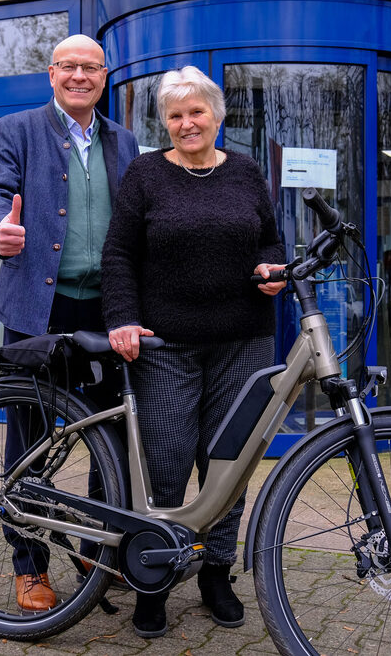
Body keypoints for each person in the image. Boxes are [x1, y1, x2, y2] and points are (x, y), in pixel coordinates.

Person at [101, 65, 286, 638]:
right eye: (175, 116)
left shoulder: (247, 171)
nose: (186, 123)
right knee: (164, 464)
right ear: (166, 123)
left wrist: (273, 269)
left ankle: (215, 574)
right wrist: (124, 319)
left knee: (227, 469)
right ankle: (152, 578)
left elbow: (270, 240)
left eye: (196, 112)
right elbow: (119, 255)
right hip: (166, 345)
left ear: (216, 115)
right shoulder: (145, 173)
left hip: (242, 344)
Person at [0, 33, 139, 612]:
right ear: (51, 74)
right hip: (38, 314)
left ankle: (99, 553)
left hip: (107, 311)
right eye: (68, 66)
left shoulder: (124, 140)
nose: (79, 76)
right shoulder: (16, 130)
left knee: (111, 438)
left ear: (104, 76)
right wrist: (0, 229)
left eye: (90, 68)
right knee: (32, 441)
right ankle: (30, 566)